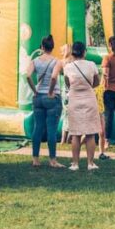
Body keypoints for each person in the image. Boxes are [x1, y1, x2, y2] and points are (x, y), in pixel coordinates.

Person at [26, 35, 63, 168]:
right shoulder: (57, 61)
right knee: (51, 130)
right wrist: (51, 92)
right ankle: (52, 160)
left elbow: (28, 76)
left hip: (38, 97)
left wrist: (35, 91)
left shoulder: (35, 61)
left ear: (42, 47)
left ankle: (35, 159)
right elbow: (54, 77)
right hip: (52, 99)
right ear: (52, 47)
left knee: (38, 128)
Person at [63, 41, 101, 171]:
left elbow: (68, 84)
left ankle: (75, 163)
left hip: (74, 100)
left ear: (73, 52)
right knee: (90, 133)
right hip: (89, 99)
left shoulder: (68, 67)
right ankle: (90, 163)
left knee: (76, 134)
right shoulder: (92, 65)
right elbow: (97, 82)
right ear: (84, 52)